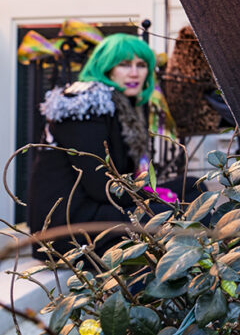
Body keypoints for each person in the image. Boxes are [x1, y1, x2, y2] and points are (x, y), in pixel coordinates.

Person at [27, 33, 194, 259]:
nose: (134, 72)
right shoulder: (85, 105)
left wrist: (152, 194)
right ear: (106, 68)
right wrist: (150, 198)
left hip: (99, 209)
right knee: (170, 215)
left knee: (193, 187)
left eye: (141, 65)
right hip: (68, 226)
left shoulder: (125, 104)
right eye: (124, 64)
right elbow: (102, 186)